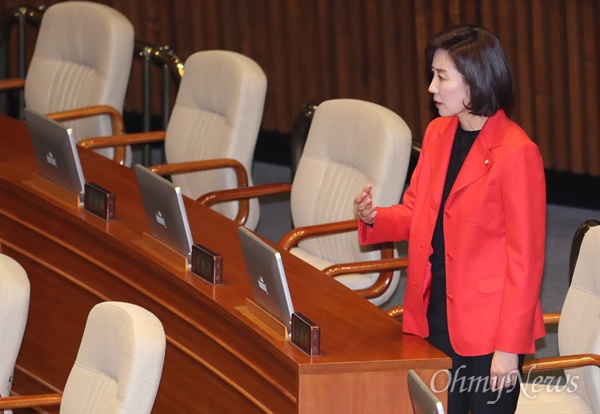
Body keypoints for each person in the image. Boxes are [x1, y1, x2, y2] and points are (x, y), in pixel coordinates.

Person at [354, 24, 546, 413]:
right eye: (433, 75)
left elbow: (526, 264)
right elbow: (415, 212)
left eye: (442, 77)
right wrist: (375, 218)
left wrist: (508, 349)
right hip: (433, 313)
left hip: (489, 330)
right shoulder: (438, 133)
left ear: (475, 82)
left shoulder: (516, 153)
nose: (431, 88)